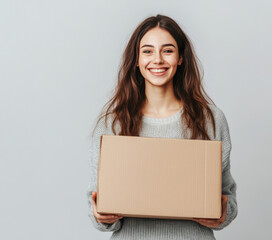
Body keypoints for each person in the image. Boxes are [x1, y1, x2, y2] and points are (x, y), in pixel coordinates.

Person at [86, 14, 238, 239]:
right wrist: (101, 215)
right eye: (147, 51)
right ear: (136, 60)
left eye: (167, 50)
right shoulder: (112, 122)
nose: (157, 59)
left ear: (180, 58)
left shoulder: (210, 119)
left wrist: (223, 213)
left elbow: (227, 196)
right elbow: (97, 204)